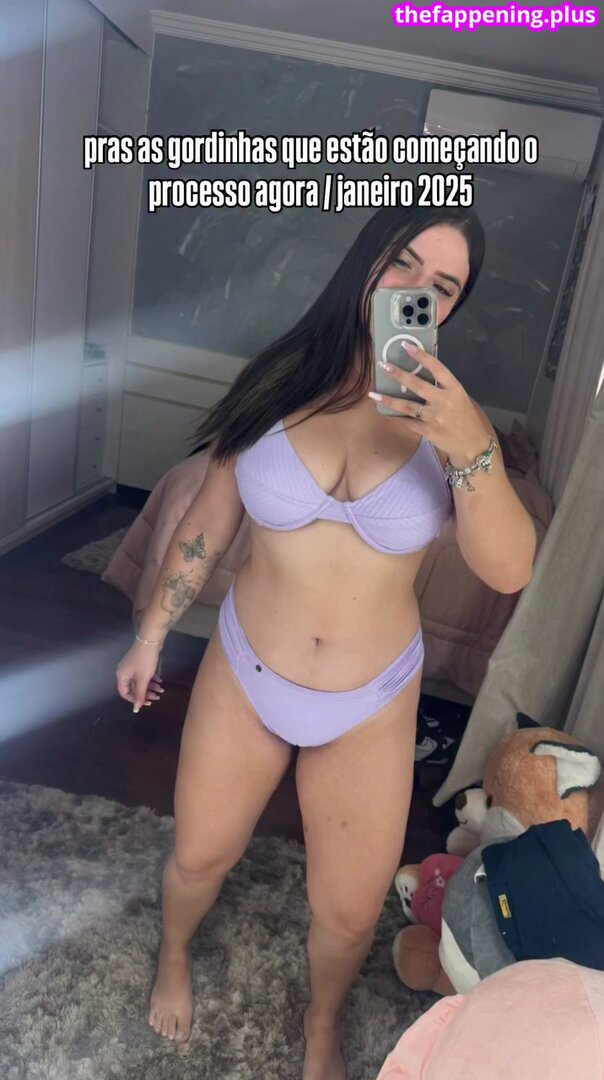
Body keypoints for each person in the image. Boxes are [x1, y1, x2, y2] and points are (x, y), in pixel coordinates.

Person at [116, 205, 537, 1079]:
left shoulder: (455, 424)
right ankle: (175, 951)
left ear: (452, 310)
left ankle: (321, 1023)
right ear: (368, 261)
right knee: (199, 856)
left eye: (443, 286)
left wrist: (469, 446)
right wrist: (150, 635)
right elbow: (207, 523)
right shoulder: (277, 379)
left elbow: (507, 570)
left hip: (370, 701)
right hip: (248, 668)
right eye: (404, 262)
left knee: (346, 915)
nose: (416, 290)